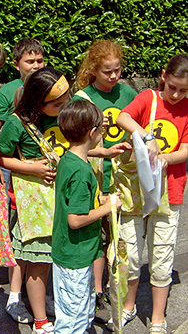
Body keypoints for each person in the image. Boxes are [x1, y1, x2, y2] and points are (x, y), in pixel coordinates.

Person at [115, 54, 188, 333]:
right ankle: (128, 305)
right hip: (136, 188)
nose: (177, 94)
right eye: (173, 87)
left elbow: (185, 149)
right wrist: (147, 137)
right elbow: (123, 117)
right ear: (163, 76)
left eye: (183, 90)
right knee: (131, 253)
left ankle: (158, 317)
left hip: (171, 190)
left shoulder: (187, 109)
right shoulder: (148, 98)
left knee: (162, 257)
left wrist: (166, 159)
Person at [0, 67, 69, 333]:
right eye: (58, 104)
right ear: (39, 102)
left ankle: (40, 304)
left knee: (48, 259)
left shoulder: (60, 116)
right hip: (32, 205)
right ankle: (40, 320)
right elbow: (0, 157)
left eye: (66, 100)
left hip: (57, 200)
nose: (65, 107)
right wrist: (31, 168)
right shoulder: (17, 123)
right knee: (37, 260)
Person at [72, 39, 136, 325]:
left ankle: (114, 288)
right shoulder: (83, 98)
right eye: (107, 72)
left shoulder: (129, 93)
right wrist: (104, 151)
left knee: (119, 237)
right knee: (96, 235)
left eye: (117, 70)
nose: (113, 77)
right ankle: (95, 290)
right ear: (94, 70)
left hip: (123, 174)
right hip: (96, 173)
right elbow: (75, 143)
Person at [52, 99, 121, 334]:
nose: (102, 132)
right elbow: (75, 219)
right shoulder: (81, 172)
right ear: (92, 132)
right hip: (77, 256)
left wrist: (98, 201)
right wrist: (108, 206)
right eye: (101, 128)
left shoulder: (69, 160)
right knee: (74, 321)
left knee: (74, 311)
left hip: (66, 252)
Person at [0, 38, 45, 299]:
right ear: (16, 64)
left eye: (39, 61)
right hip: (12, 162)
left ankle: (35, 285)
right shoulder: (8, 91)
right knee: (8, 222)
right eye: (29, 61)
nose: (35, 66)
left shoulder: (49, 84)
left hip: (43, 165)